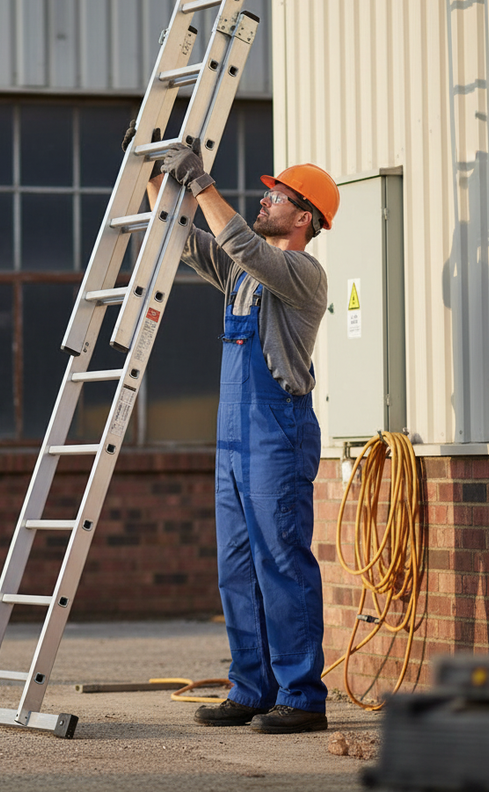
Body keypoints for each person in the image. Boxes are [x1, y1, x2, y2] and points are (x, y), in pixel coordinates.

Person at [152, 138, 340, 735]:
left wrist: (202, 184)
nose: (264, 199)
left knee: (281, 560)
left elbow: (238, 243)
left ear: (303, 216)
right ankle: (251, 687)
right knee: (237, 565)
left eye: (275, 196)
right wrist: (151, 177)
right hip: (233, 436)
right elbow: (186, 241)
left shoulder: (302, 273)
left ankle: (302, 696)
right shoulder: (243, 271)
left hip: (277, 433)